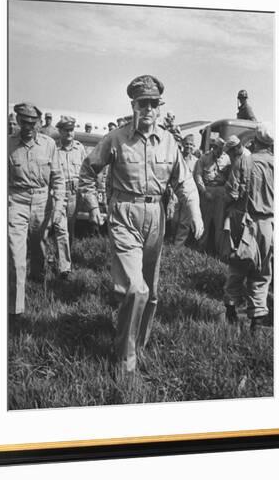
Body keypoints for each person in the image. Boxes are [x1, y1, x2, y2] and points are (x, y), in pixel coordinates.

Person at [79, 75, 203, 375]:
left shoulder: (169, 142)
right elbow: (87, 171)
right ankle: (125, 360)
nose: (148, 109)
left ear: (159, 109)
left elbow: (184, 181)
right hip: (124, 213)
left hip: (155, 216)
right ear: (133, 105)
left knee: (152, 291)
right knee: (136, 289)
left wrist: (195, 214)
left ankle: (138, 344)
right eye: (142, 104)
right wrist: (94, 207)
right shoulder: (117, 139)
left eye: (153, 104)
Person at [8, 102, 65, 319]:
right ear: (18, 121)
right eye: (24, 122)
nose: (28, 127)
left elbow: (58, 178)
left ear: (39, 123)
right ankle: (16, 309)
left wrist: (58, 205)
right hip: (16, 200)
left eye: (33, 123)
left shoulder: (49, 144)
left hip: (42, 201)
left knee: (39, 246)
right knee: (15, 254)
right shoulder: (7, 143)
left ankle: (38, 281)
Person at [223, 123, 274, 334]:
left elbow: (232, 194)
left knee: (237, 266)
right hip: (269, 224)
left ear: (255, 141)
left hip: (245, 221)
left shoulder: (245, 160)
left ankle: (231, 311)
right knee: (262, 273)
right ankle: (257, 322)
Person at [53, 116, 86, 278]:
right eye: (65, 130)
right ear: (59, 131)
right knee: (61, 229)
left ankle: (64, 257)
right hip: (58, 194)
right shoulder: (53, 149)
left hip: (74, 194)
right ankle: (64, 268)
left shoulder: (79, 149)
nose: (69, 133)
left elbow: (86, 170)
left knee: (70, 230)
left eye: (71, 129)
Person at [194, 136, 231, 254]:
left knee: (219, 222)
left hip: (221, 191)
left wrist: (225, 191)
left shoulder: (227, 159)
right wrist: (204, 191)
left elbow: (230, 176)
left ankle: (218, 251)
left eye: (221, 150)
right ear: (213, 148)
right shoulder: (204, 158)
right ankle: (200, 248)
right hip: (207, 190)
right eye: (217, 149)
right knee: (205, 221)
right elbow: (198, 175)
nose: (219, 153)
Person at [173, 134, 199, 246]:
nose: (189, 146)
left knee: (185, 220)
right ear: (183, 145)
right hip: (175, 192)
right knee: (173, 218)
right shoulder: (177, 157)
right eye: (187, 144)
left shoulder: (196, 161)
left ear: (194, 146)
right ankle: (170, 238)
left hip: (188, 193)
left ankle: (178, 244)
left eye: (191, 145)